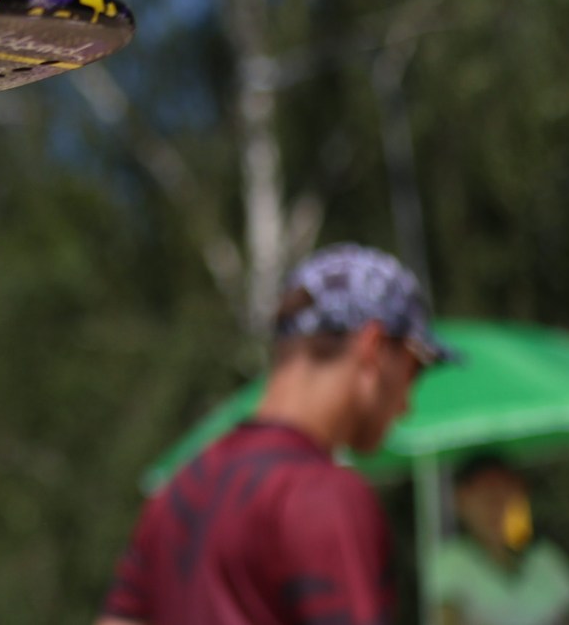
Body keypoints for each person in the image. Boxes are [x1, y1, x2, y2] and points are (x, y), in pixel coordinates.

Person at [98, 245, 455, 625]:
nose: (406, 405)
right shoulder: (323, 496)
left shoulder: (178, 492)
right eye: (414, 370)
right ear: (373, 347)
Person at [430, 455, 569, 625]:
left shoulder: (545, 559)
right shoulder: (452, 561)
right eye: (486, 497)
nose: (495, 508)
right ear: (460, 502)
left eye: (504, 495)